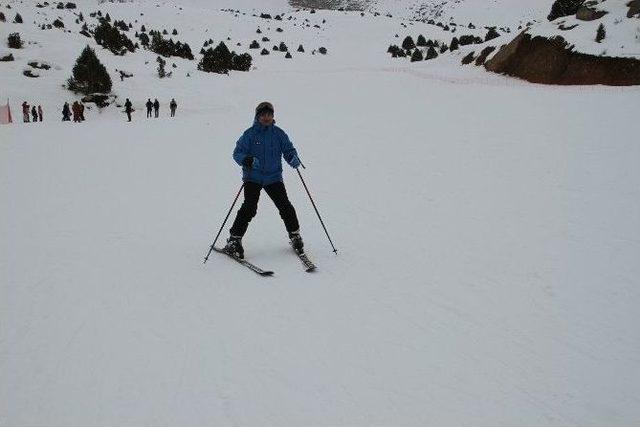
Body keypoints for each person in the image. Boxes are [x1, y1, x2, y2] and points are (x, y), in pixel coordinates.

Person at [223, 102, 304, 259]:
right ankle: (234, 240)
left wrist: (293, 158)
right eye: (263, 115)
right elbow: (237, 153)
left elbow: (288, 150)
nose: (266, 117)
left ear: (273, 116)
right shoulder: (250, 134)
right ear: (257, 116)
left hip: (273, 177)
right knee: (249, 207)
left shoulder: (279, 134)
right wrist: (247, 160)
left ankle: (295, 236)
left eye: (269, 114)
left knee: (285, 206)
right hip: (253, 177)